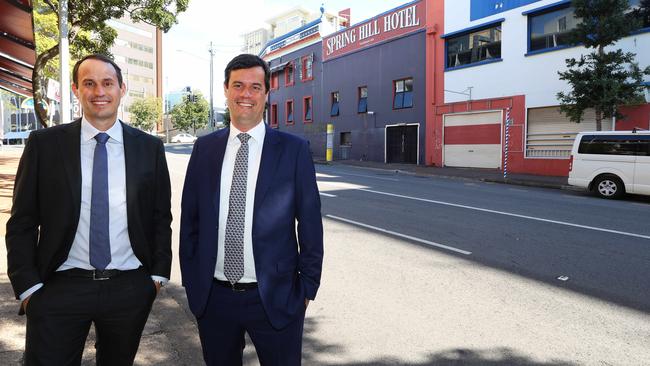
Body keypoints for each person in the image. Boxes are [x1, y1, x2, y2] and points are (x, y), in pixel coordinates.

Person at [5, 53, 172, 365]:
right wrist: (28, 287)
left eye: (108, 83)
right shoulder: (44, 144)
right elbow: (22, 221)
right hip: (59, 286)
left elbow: (160, 216)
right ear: (76, 89)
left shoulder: (149, 147)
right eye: (89, 83)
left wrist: (157, 276)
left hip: (129, 287)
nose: (99, 92)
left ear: (122, 88)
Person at [180, 54, 323, 365]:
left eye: (255, 87)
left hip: (275, 297)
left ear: (266, 94)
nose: (246, 94)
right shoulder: (204, 149)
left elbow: (310, 224)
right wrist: (194, 284)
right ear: (226, 90)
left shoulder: (293, 151)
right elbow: (190, 222)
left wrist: (307, 288)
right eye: (238, 86)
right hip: (214, 297)